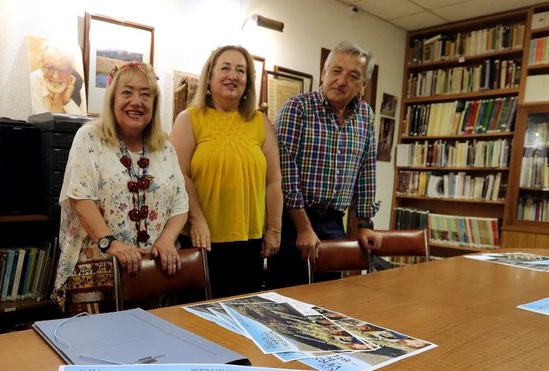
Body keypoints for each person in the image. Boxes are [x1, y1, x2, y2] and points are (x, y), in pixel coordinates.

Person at [52, 62, 188, 314]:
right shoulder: (89, 137)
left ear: (154, 104)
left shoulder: (165, 148)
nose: (136, 101)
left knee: (153, 351)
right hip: (95, 278)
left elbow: (180, 204)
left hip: (153, 275)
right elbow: (80, 198)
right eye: (127, 92)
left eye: (145, 94)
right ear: (112, 98)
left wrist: (168, 240)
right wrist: (112, 244)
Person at [169, 45, 282, 298]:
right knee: (197, 321)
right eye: (226, 68)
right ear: (209, 77)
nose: (233, 75)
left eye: (241, 70)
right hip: (201, 240)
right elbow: (179, 176)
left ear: (248, 82)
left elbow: (274, 181)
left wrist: (274, 229)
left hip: (249, 243)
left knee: (241, 320)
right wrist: (197, 219)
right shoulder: (189, 119)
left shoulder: (260, 123)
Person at [268, 40, 382, 289]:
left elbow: (366, 172)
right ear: (324, 72)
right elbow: (285, 174)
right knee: (285, 303)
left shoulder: (366, 115)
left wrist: (365, 224)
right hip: (292, 220)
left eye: (353, 76)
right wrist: (303, 228)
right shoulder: (298, 108)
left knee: (328, 301)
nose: (341, 81)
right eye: (336, 71)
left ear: (363, 84)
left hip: (334, 224)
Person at [30, 42, 86, 115]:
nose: (55, 76)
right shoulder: (32, 81)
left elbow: (83, 124)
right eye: (50, 67)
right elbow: (42, 122)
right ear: (41, 65)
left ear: (70, 71)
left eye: (62, 69)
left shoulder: (77, 85)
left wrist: (67, 101)